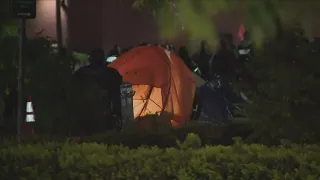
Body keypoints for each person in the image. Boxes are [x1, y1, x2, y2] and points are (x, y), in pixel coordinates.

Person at [74, 48, 123, 134]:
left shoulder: (81, 73)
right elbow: (116, 97)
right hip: (103, 114)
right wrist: (118, 114)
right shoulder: (111, 73)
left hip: (85, 115)